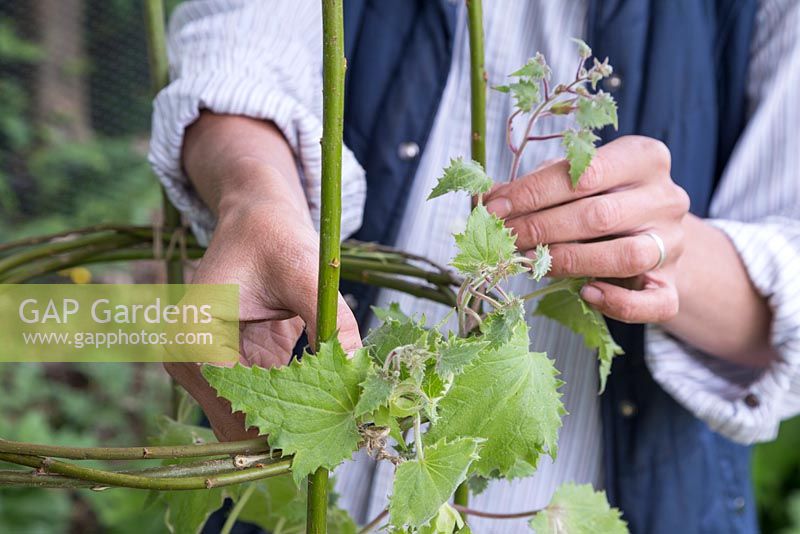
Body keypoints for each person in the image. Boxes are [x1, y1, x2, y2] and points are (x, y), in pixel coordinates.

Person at [149, 1, 800, 532]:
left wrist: (667, 251)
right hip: (311, 474)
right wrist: (254, 195)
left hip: (624, 491)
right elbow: (237, 46)